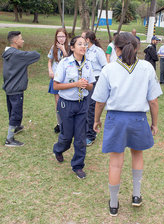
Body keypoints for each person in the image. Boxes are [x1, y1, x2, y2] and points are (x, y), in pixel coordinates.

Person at [92, 32, 162, 216]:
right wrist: (154, 123)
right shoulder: (147, 68)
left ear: (116, 49)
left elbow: (100, 102)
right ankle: (136, 196)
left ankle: (114, 204)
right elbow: (153, 101)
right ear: (137, 47)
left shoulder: (109, 69)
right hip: (138, 118)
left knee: (116, 163)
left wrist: (96, 119)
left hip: (116, 119)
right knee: (137, 155)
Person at [53, 36, 95, 179]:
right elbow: (56, 85)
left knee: (80, 138)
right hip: (66, 103)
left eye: (85, 44)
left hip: (82, 103)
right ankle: (58, 149)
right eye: (80, 44)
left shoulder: (88, 64)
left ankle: (77, 165)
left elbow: (91, 87)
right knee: (66, 136)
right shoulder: (65, 63)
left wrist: (86, 84)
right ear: (72, 48)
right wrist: (75, 84)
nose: (83, 47)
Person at [2, 31, 40, 147]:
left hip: (9, 88)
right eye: (21, 39)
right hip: (16, 89)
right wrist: (25, 54)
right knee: (16, 113)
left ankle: (16, 127)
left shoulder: (8, 53)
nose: (23, 41)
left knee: (12, 110)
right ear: (15, 41)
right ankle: (9, 139)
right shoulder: (17, 55)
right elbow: (36, 55)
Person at [84, 31, 107, 146]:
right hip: (86, 80)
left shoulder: (98, 51)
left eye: (83, 38)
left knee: (91, 107)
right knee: (85, 106)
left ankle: (90, 135)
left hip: (96, 80)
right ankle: (86, 130)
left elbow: (105, 67)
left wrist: (101, 83)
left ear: (88, 39)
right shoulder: (84, 51)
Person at [48, 28, 69, 134]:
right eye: (59, 36)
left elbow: (68, 59)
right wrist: (50, 70)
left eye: (63, 36)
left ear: (66, 37)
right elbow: (50, 60)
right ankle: (59, 123)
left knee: (65, 101)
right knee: (57, 102)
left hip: (65, 79)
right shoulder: (53, 48)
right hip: (55, 78)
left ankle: (66, 123)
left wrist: (63, 48)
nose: (61, 39)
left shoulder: (70, 47)